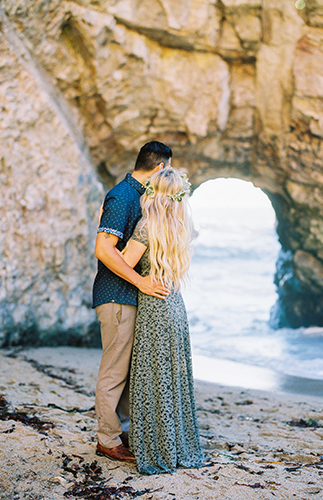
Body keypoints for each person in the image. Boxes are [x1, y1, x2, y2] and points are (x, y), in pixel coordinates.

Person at [122, 167, 205, 474]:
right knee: (173, 380)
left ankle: (156, 447)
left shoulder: (147, 226)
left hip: (153, 306)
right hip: (175, 306)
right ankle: (177, 445)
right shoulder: (182, 227)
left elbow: (125, 264)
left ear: (153, 193)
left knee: (152, 379)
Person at [93, 141, 172, 462]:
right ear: (159, 168)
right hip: (116, 296)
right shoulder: (123, 196)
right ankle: (107, 438)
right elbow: (103, 249)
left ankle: (120, 432)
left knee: (126, 371)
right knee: (113, 371)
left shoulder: (138, 196)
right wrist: (141, 281)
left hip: (128, 297)